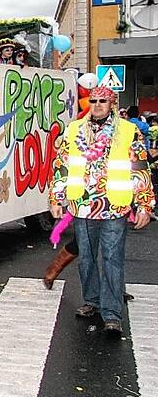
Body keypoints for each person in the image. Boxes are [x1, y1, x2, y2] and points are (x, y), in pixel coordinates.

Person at [49, 86, 154, 335]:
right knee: (86, 259)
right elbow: (62, 167)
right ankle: (92, 301)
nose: (97, 105)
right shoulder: (74, 130)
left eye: (102, 101)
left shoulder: (129, 131)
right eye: (93, 100)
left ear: (112, 104)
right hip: (82, 205)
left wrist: (144, 204)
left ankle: (112, 314)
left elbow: (139, 170)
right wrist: (56, 197)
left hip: (114, 205)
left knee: (111, 259)